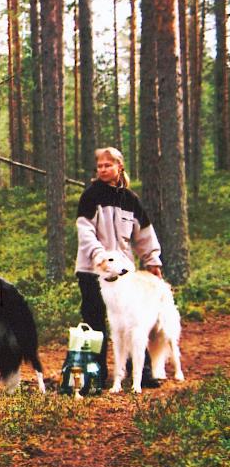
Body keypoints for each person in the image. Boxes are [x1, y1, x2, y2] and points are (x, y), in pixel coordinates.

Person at [75, 146, 163, 388]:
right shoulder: (90, 196)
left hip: (124, 273)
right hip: (92, 270)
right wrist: (99, 255)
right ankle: (95, 373)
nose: (103, 169)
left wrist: (152, 260)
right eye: (100, 166)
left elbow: (144, 234)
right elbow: (85, 230)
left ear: (119, 167)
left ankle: (142, 372)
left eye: (108, 165)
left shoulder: (130, 200)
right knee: (94, 319)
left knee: (132, 320)